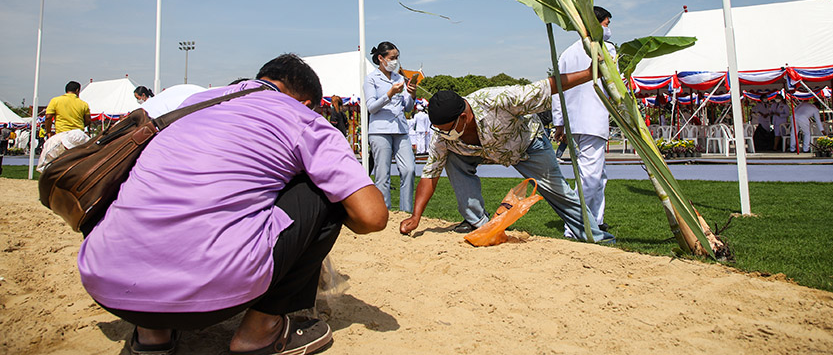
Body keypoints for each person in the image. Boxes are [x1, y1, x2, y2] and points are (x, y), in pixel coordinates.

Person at [76, 54, 388, 355]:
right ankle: (260, 330)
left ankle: (151, 335)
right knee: (324, 191)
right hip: (212, 296)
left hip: (108, 285)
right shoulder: (302, 118)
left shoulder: (192, 104)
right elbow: (371, 216)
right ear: (308, 103)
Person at [399, 69, 614, 244]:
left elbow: (548, 86)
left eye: (447, 129)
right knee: (451, 158)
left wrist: (590, 73)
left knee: (559, 191)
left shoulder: (497, 99)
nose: (443, 135)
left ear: (463, 117)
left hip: (526, 146)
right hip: (481, 152)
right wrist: (416, 216)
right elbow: (430, 174)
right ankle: (479, 222)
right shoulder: (443, 137)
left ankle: (596, 237)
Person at [551, 6, 614, 233]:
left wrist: (560, 121)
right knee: (590, 175)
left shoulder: (568, 53)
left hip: (575, 120)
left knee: (598, 174)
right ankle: (577, 223)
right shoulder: (605, 50)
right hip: (592, 117)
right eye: (606, 24)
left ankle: (595, 218)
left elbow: (557, 90)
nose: (608, 30)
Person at [363, 41, 416, 213]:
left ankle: (406, 211)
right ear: (381, 58)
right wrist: (389, 94)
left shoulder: (399, 78)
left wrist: (412, 93)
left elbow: (407, 107)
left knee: (409, 169)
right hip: (380, 130)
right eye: (392, 58)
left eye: (397, 57)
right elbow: (371, 107)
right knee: (382, 174)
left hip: (400, 129)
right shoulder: (371, 79)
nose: (395, 61)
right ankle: (383, 211)